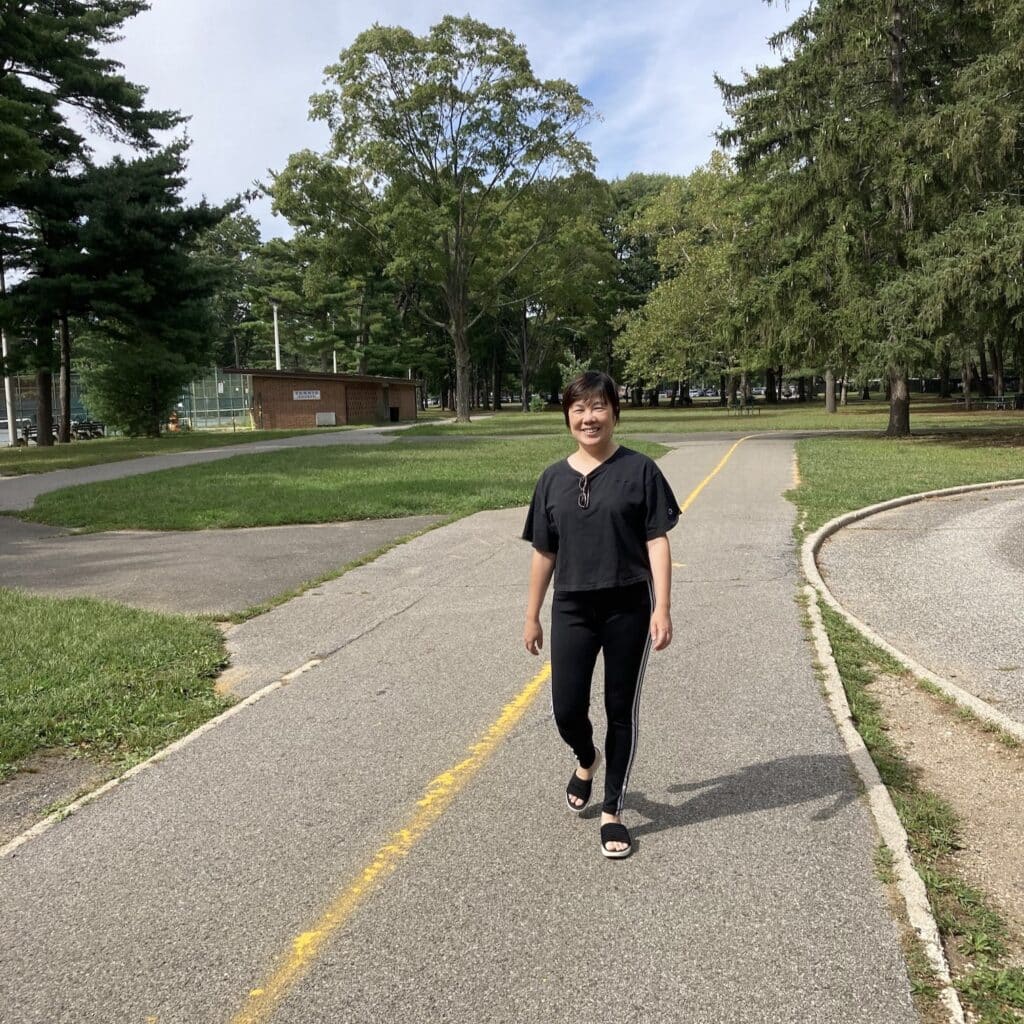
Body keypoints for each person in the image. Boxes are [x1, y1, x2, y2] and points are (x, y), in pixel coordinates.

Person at [522, 370, 678, 859]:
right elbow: (544, 552)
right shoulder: (551, 479)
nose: (589, 418)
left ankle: (612, 810)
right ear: (567, 416)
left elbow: (657, 538)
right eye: (579, 410)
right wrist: (531, 615)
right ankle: (586, 758)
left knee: (619, 708)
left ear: (615, 411)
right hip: (572, 605)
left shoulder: (641, 471)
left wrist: (664, 607)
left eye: (598, 407)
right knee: (566, 708)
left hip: (628, 604)